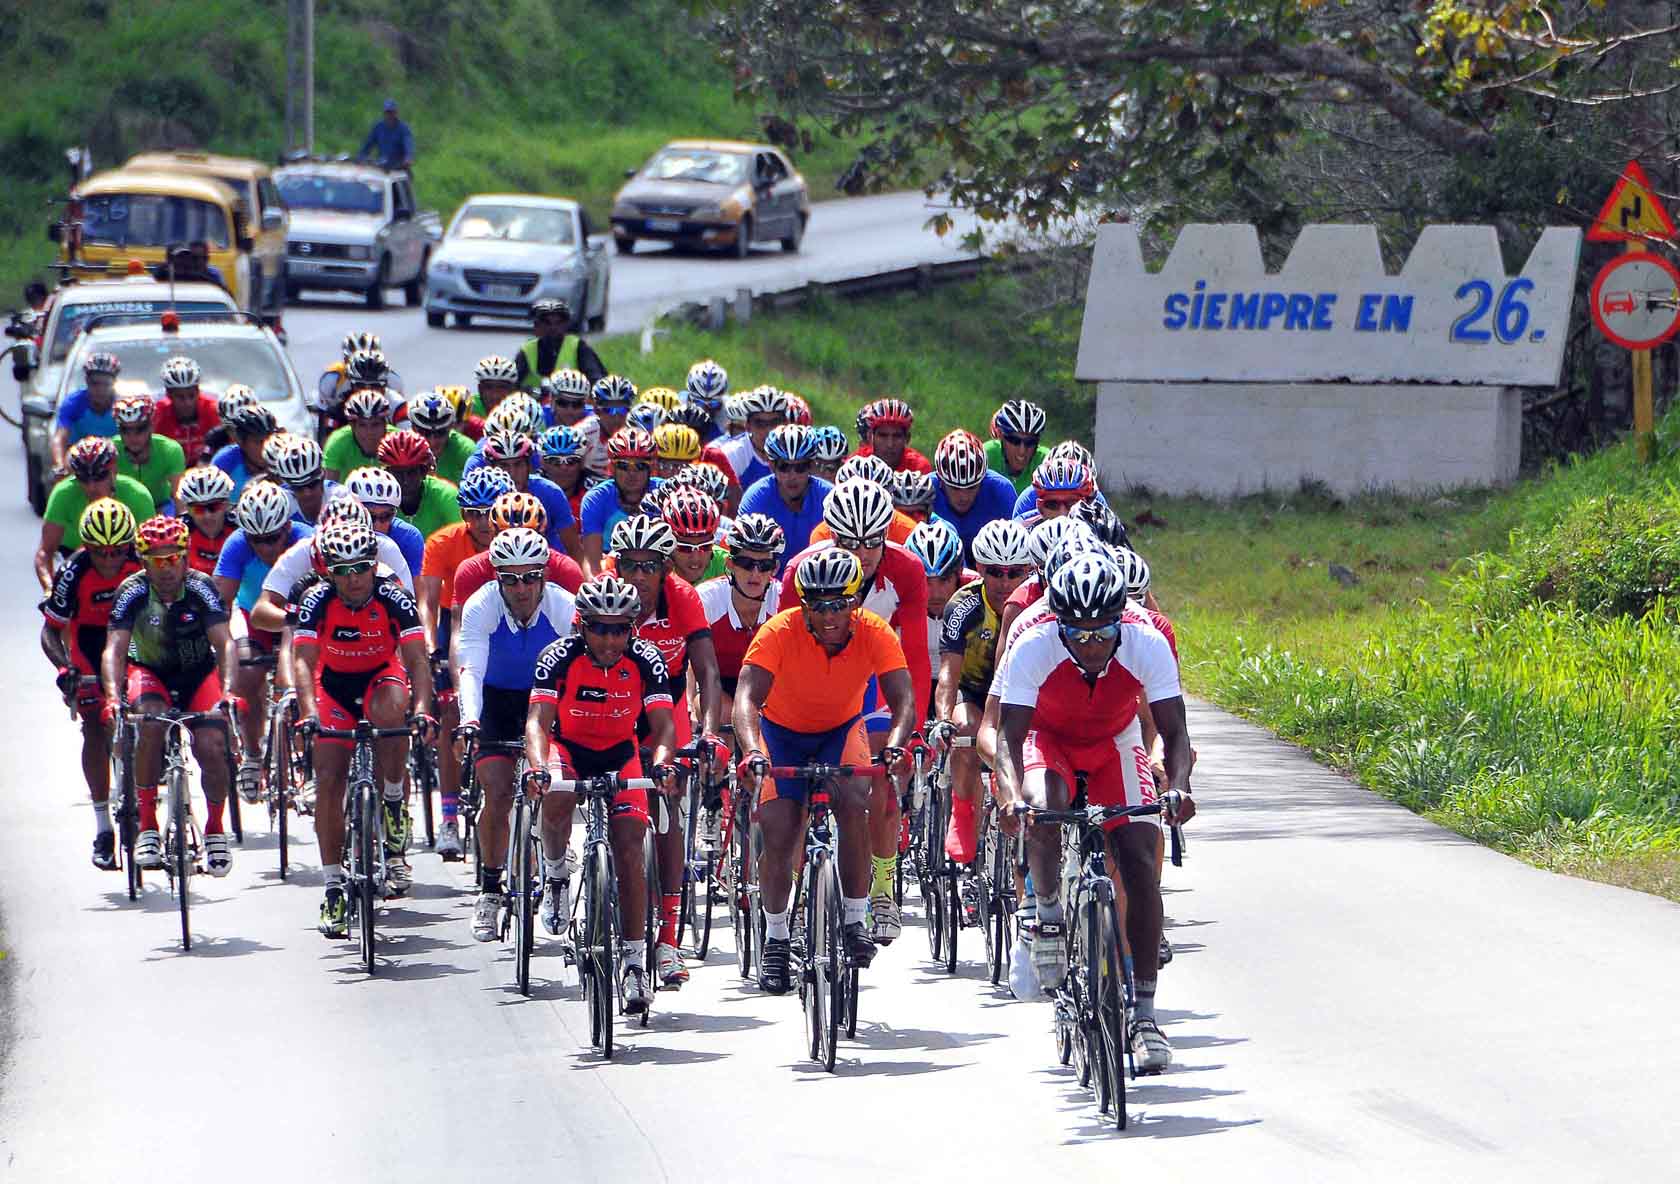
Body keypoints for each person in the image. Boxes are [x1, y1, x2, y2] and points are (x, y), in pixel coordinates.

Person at [993, 552, 1195, 1072]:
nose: (1091, 643)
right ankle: (1049, 916)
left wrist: (1181, 789)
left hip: (1114, 740)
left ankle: (1144, 1016)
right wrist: (1013, 797)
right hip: (1048, 739)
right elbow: (1009, 740)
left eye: (1102, 631)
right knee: (1043, 807)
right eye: (1076, 634)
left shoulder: (1146, 638)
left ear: (1119, 618)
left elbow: (1174, 732)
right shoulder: (1033, 638)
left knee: (1139, 863)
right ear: (1057, 620)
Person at [733, 549, 916, 994]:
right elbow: (745, 701)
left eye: (840, 604)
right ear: (803, 606)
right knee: (779, 828)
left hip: (841, 730)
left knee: (856, 804)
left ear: (855, 603)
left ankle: (855, 921)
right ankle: (776, 939)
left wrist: (893, 747)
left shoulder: (874, 631)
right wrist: (754, 751)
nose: (830, 615)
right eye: (818, 605)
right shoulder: (778, 631)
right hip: (781, 733)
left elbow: (904, 700)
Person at [781, 478, 930, 942]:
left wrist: (917, 730)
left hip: (878, 675)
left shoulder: (906, 569)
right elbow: (784, 650)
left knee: (883, 778)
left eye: (873, 542)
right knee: (805, 785)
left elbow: (918, 659)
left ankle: (883, 889)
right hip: (819, 680)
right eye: (850, 541)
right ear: (831, 535)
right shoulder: (804, 571)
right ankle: (805, 885)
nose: (863, 553)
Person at [526, 576, 678, 1013]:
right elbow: (538, 722)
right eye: (600, 628)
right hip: (569, 749)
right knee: (554, 794)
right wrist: (538, 767)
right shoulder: (558, 657)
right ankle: (554, 874)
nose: (611, 639)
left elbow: (664, 726)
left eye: (620, 629)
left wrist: (664, 762)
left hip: (620, 754)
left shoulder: (646, 659)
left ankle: (633, 964)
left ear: (632, 627)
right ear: (582, 627)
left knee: (630, 846)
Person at [295, 520, 435, 932]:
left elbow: (416, 661)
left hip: (380, 676)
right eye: (342, 570)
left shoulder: (394, 599)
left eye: (361, 568)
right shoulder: (315, 600)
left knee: (394, 709)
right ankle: (334, 887)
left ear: (374, 565)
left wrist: (424, 709)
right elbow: (302, 662)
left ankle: (393, 800)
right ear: (328, 572)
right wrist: (308, 712)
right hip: (334, 687)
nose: (353, 579)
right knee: (329, 778)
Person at [604, 515, 726, 986]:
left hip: (664, 703)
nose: (637, 576)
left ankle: (669, 938)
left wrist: (711, 732)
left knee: (668, 799)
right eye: (628, 565)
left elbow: (709, 672)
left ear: (664, 566)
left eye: (648, 566)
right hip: (612, 702)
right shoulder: (601, 595)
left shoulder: (683, 597)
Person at [452, 528, 579, 941]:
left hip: (548, 703)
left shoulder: (564, 607)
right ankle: (490, 889)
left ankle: (556, 876)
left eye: (530, 577)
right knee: (497, 790)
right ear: (497, 579)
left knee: (557, 788)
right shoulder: (481, 606)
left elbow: (578, 673)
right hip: (498, 700)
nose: (521, 588)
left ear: (544, 575)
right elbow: (471, 670)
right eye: (510, 578)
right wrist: (470, 721)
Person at [101, 515, 241, 877]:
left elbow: (224, 644)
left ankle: (214, 829)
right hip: (151, 673)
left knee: (211, 744)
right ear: (143, 561)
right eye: (156, 560)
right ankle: (147, 823)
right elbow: (114, 650)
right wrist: (114, 697)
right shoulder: (131, 591)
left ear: (186, 555)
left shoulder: (201, 588)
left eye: (174, 557)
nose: (166, 568)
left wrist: (227, 692)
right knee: (150, 723)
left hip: (197, 675)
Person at [417, 469, 515, 859]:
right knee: (450, 712)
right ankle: (450, 816)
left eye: (488, 514)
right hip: (451, 623)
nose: (481, 523)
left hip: (501, 621)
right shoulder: (442, 543)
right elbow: (429, 602)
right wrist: (430, 646)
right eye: (472, 513)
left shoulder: (520, 540)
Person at [40, 499, 142, 869]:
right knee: (95, 731)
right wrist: (65, 667)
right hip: (89, 645)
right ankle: (103, 826)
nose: (112, 559)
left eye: (118, 550)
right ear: (88, 547)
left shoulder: (142, 560)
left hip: (135, 639)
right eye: (101, 552)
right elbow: (50, 632)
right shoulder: (74, 571)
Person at [930, 519, 1033, 862]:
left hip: (1022, 695)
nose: (1004, 582)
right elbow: (947, 674)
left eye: (1015, 572)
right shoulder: (964, 607)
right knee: (964, 729)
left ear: (1028, 571)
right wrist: (943, 719)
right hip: (974, 691)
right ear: (980, 570)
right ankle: (962, 812)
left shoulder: (1037, 605)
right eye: (995, 572)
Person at [213, 480, 312, 798]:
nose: (267, 548)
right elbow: (218, 608)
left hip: (297, 618)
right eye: (258, 541)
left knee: (298, 677)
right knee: (247, 674)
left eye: (273, 538)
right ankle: (254, 754)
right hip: (254, 619)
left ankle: (302, 750)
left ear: (287, 526)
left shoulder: (306, 540)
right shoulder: (236, 544)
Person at [695, 513, 785, 723]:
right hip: (714, 683)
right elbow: (690, 661)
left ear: (775, 569)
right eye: (746, 563)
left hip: (766, 685)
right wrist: (690, 705)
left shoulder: (781, 600)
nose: (755, 573)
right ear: (730, 564)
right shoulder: (707, 598)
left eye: (764, 566)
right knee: (724, 713)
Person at [37, 438, 156, 594]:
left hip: (123, 555)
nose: (91, 487)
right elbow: (45, 553)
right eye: (83, 478)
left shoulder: (137, 495)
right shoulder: (63, 494)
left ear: (114, 471)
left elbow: (152, 551)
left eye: (100, 476)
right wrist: (50, 589)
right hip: (76, 557)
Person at [452, 491, 584, 606]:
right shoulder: (471, 571)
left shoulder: (566, 570)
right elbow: (460, 627)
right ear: (492, 536)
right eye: (507, 536)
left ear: (542, 535)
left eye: (527, 537)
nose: (517, 548)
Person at [735, 424, 832, 569]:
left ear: (811, 465)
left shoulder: (830, 497)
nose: (792, 476)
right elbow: (740, 552)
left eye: (800, 467)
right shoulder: (756, 498)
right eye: (784, 466)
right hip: (768, 583)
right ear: (772, 465)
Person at [578, 427, 664, 576]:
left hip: (655, 567)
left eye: (640, 466)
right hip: (611, 568)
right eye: (623, 466)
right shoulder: (595, 499)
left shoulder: (664, 493)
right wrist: (597, 586)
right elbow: (593, 562)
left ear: (652, 469)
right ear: (611, 468)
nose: (632, 473)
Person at [904, 518, 972, 705]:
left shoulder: (976, 593)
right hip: (909, 683)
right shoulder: (893, 596)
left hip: (962, 686)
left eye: (944, 580)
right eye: (926, 581)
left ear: (959, 575)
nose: (935, 593)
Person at [932, 428, 1020, 560]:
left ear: (983, 480)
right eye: (955, 488)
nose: (964, 497)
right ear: (940, 482)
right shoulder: (927, 491)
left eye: (971, 487)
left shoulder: (1001, 491)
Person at [808, 455, 917, 546]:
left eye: (874, 502)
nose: (863, 510)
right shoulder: (822, 535)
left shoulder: (909, 532)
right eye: (854, 500)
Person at [346, 466, 426, 581]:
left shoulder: (409, 537)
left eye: (386, 516)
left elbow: (417, 590)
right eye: (369, 516)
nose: (377, 525)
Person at [378, 430, 460, 540]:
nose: (405, 481)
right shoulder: (376, 498)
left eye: (411, 472)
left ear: (424, 471)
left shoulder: (447, 495)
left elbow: (461, 536)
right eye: (398, 473)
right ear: (387, 473)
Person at [112, 394, 186, 512]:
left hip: (161, 508)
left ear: (151, 426)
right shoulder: (111, 450)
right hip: (124, 511)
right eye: (125, 430)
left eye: (140, 429)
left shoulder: (170, 450)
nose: (132, 437)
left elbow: (179, 496)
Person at [51, 351, 122, 473]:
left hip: (114, 463)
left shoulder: (122, 407)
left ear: (114, 383)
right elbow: (60, 438)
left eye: (106, 384)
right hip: (80, 462)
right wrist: (59, 465)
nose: (100, 389)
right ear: (87, 382)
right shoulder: (73, 403)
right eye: (95, 383)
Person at [514, 298, 605, 389]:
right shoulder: (527, 350)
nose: (553, 328)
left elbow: (595, 378)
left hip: (571, 401)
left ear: (566, 325)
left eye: (559, 323)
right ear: (536, 326)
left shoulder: (577, 346)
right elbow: (511, 382)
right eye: (546, 323)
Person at [151, 356, 221, 465]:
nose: (187, 403)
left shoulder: (213, 410)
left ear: (198, 391)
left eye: (192, 395)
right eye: (180, 397)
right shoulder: (158, 414)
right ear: (169, 395)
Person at [717, 385, 786, 491]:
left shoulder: (797, 455)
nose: (768, 431)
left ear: (784, 424)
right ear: (748, 426)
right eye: (760, 423)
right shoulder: (732, 454)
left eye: (774, 423)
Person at [176, 465, 238, 574]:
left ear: (226, 504)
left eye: (214, 507)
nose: (207, 516)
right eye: (199, 509)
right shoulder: (179, 532)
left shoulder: (239, 527)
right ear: (189, 510)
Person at [265, 434, 340, 525]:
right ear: (289, 487)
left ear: (323, 476)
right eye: (298, 488)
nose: (306, 493)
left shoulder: (340, 496)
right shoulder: (278, 504)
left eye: (312, 485)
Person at [210, 401, 277, 499]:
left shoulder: (283, 459)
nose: (266, 446)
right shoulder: (224, 462)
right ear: (241, 441)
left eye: (270, 439)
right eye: (259, 441)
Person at [407, 390, 477, 484]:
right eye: (425, 433)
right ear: (413, 429)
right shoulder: (400, 446)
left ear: (451, 427)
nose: (433, 441)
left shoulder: (467, 452)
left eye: (440, 433)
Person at [323, 388, 392, 481]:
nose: (369, 432)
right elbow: (328, 487)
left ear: (385, 425)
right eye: (362, 425)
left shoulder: (398, 441)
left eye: (375, 425)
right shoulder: (337, 443)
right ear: (352, 426)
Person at [661, 488, 728, 585]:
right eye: (685, 548)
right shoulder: (656, 570)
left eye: (705, 546)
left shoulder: (728, 565)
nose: (696, 558)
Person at [853, 398, 932, 474]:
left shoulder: (918, 467)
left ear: (907, 438)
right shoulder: (855, 465)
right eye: (883, 436)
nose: (890, 444)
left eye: (897, 436)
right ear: (870, 437)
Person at [987, 400, 1050, 495]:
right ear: (1000, 436)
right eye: (1014, 440)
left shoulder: (1047, 462)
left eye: (1030, 442)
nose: (1022, 451)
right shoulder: (986, 456)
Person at [358, 98, 414, 170]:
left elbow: (408, 145)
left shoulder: (403, 129)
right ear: (384, 113)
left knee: (402, 177)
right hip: (382, 166)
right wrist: (361, 157)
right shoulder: (378, 127)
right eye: (387, 113)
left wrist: (408, 158)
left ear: (396, 113)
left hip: (398, 167)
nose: (389, 115)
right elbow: (368, 144)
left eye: (391, 112)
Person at [683, 359, 729, 443]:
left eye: (713, 404)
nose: (705, 409)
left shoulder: (730, 412)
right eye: (698, 402)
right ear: (689, 397)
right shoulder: (679, 404)